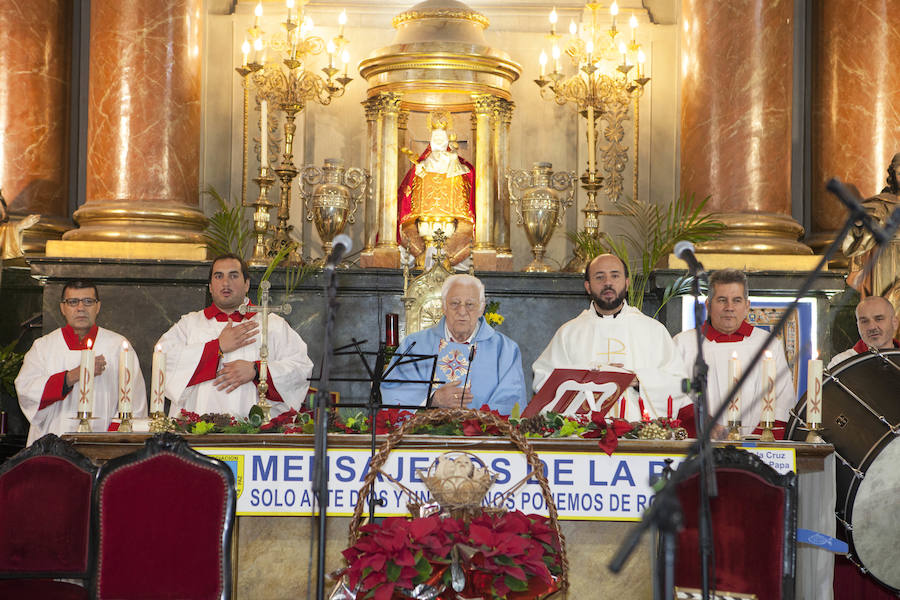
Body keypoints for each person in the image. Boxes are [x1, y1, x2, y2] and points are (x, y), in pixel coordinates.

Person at [532, 254, 690, 422]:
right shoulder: (569, 333)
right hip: (583, 434)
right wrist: (591, 377)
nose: (608, 282)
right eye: (599, 277)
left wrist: (639, 380)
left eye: (615, 275)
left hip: (638, 433)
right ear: (588, 286)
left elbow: (679, 383)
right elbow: (543, 381)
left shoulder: (653, 331)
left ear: (627, 283)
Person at [156, 254, 313, 418]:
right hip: (198, 432)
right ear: (210, 286)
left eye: (233, 275)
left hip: (256, 433)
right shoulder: (189, 325)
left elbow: (300, 368)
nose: (225, 283)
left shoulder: (272, 325)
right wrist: (217, 347)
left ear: (247, 284)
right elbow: (164, 362)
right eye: (218, 276)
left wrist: (257, 370)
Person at [15, 280, 147, 445]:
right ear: (62, 307)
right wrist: (73, 376)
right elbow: (26, 391)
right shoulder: (43, 347)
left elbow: (135, 404)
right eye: (73, 302)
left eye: (88, 301)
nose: (81, 308)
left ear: (98, 306)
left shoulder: (118, 346)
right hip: (52, 444)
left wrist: (110, 444)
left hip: (104, 447)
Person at [673, 269, 795, 439]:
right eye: (722, 300)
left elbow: (783, 398)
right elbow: (673, 393)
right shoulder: (684, 343)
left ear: (747, 305)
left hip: (755, 446)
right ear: (708, 305)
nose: (729, 307)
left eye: (736, 300)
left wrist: (760, 439)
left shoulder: (768, 345)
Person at [381, 274, 525, 414]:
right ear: (443, 307)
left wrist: (475, 423)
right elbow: (394, 393)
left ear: (481, 309)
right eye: (455, 303)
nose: (462, 311)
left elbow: (511, 401)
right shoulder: (413, 345)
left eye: (470, 304)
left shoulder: (505, 350)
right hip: (425, 436)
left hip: (481, 437)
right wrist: (433, 399)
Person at [398, 111, 476, 266]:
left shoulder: (456, 163)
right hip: (425, 220)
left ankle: (447, 256)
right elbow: (409, 191)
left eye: (442, 138)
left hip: (451, 219)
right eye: (436, 138)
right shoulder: (423, 165)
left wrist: (453, 158)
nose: (439, 142)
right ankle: (424, 255)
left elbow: (464, 176)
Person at [828, 295, 900, 369]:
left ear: (894, 323)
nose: (872, 327)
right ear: (858, 326)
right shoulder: (841, 363)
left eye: (879, 319)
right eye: (864, 321)